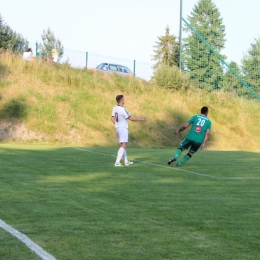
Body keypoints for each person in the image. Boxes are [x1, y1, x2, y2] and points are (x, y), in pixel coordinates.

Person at [111, 94, 146, 166]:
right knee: (124, 144)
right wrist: (141, 119)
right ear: (121, 100)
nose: (124, 100)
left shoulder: (115, 108)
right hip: (123, 128)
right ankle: (117, 162)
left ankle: (126, 162)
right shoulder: (123, 109)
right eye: (123, 99)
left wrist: (116, 124)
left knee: (123, 145)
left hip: (118, 128)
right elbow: (130, 118)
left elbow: (112, 118)